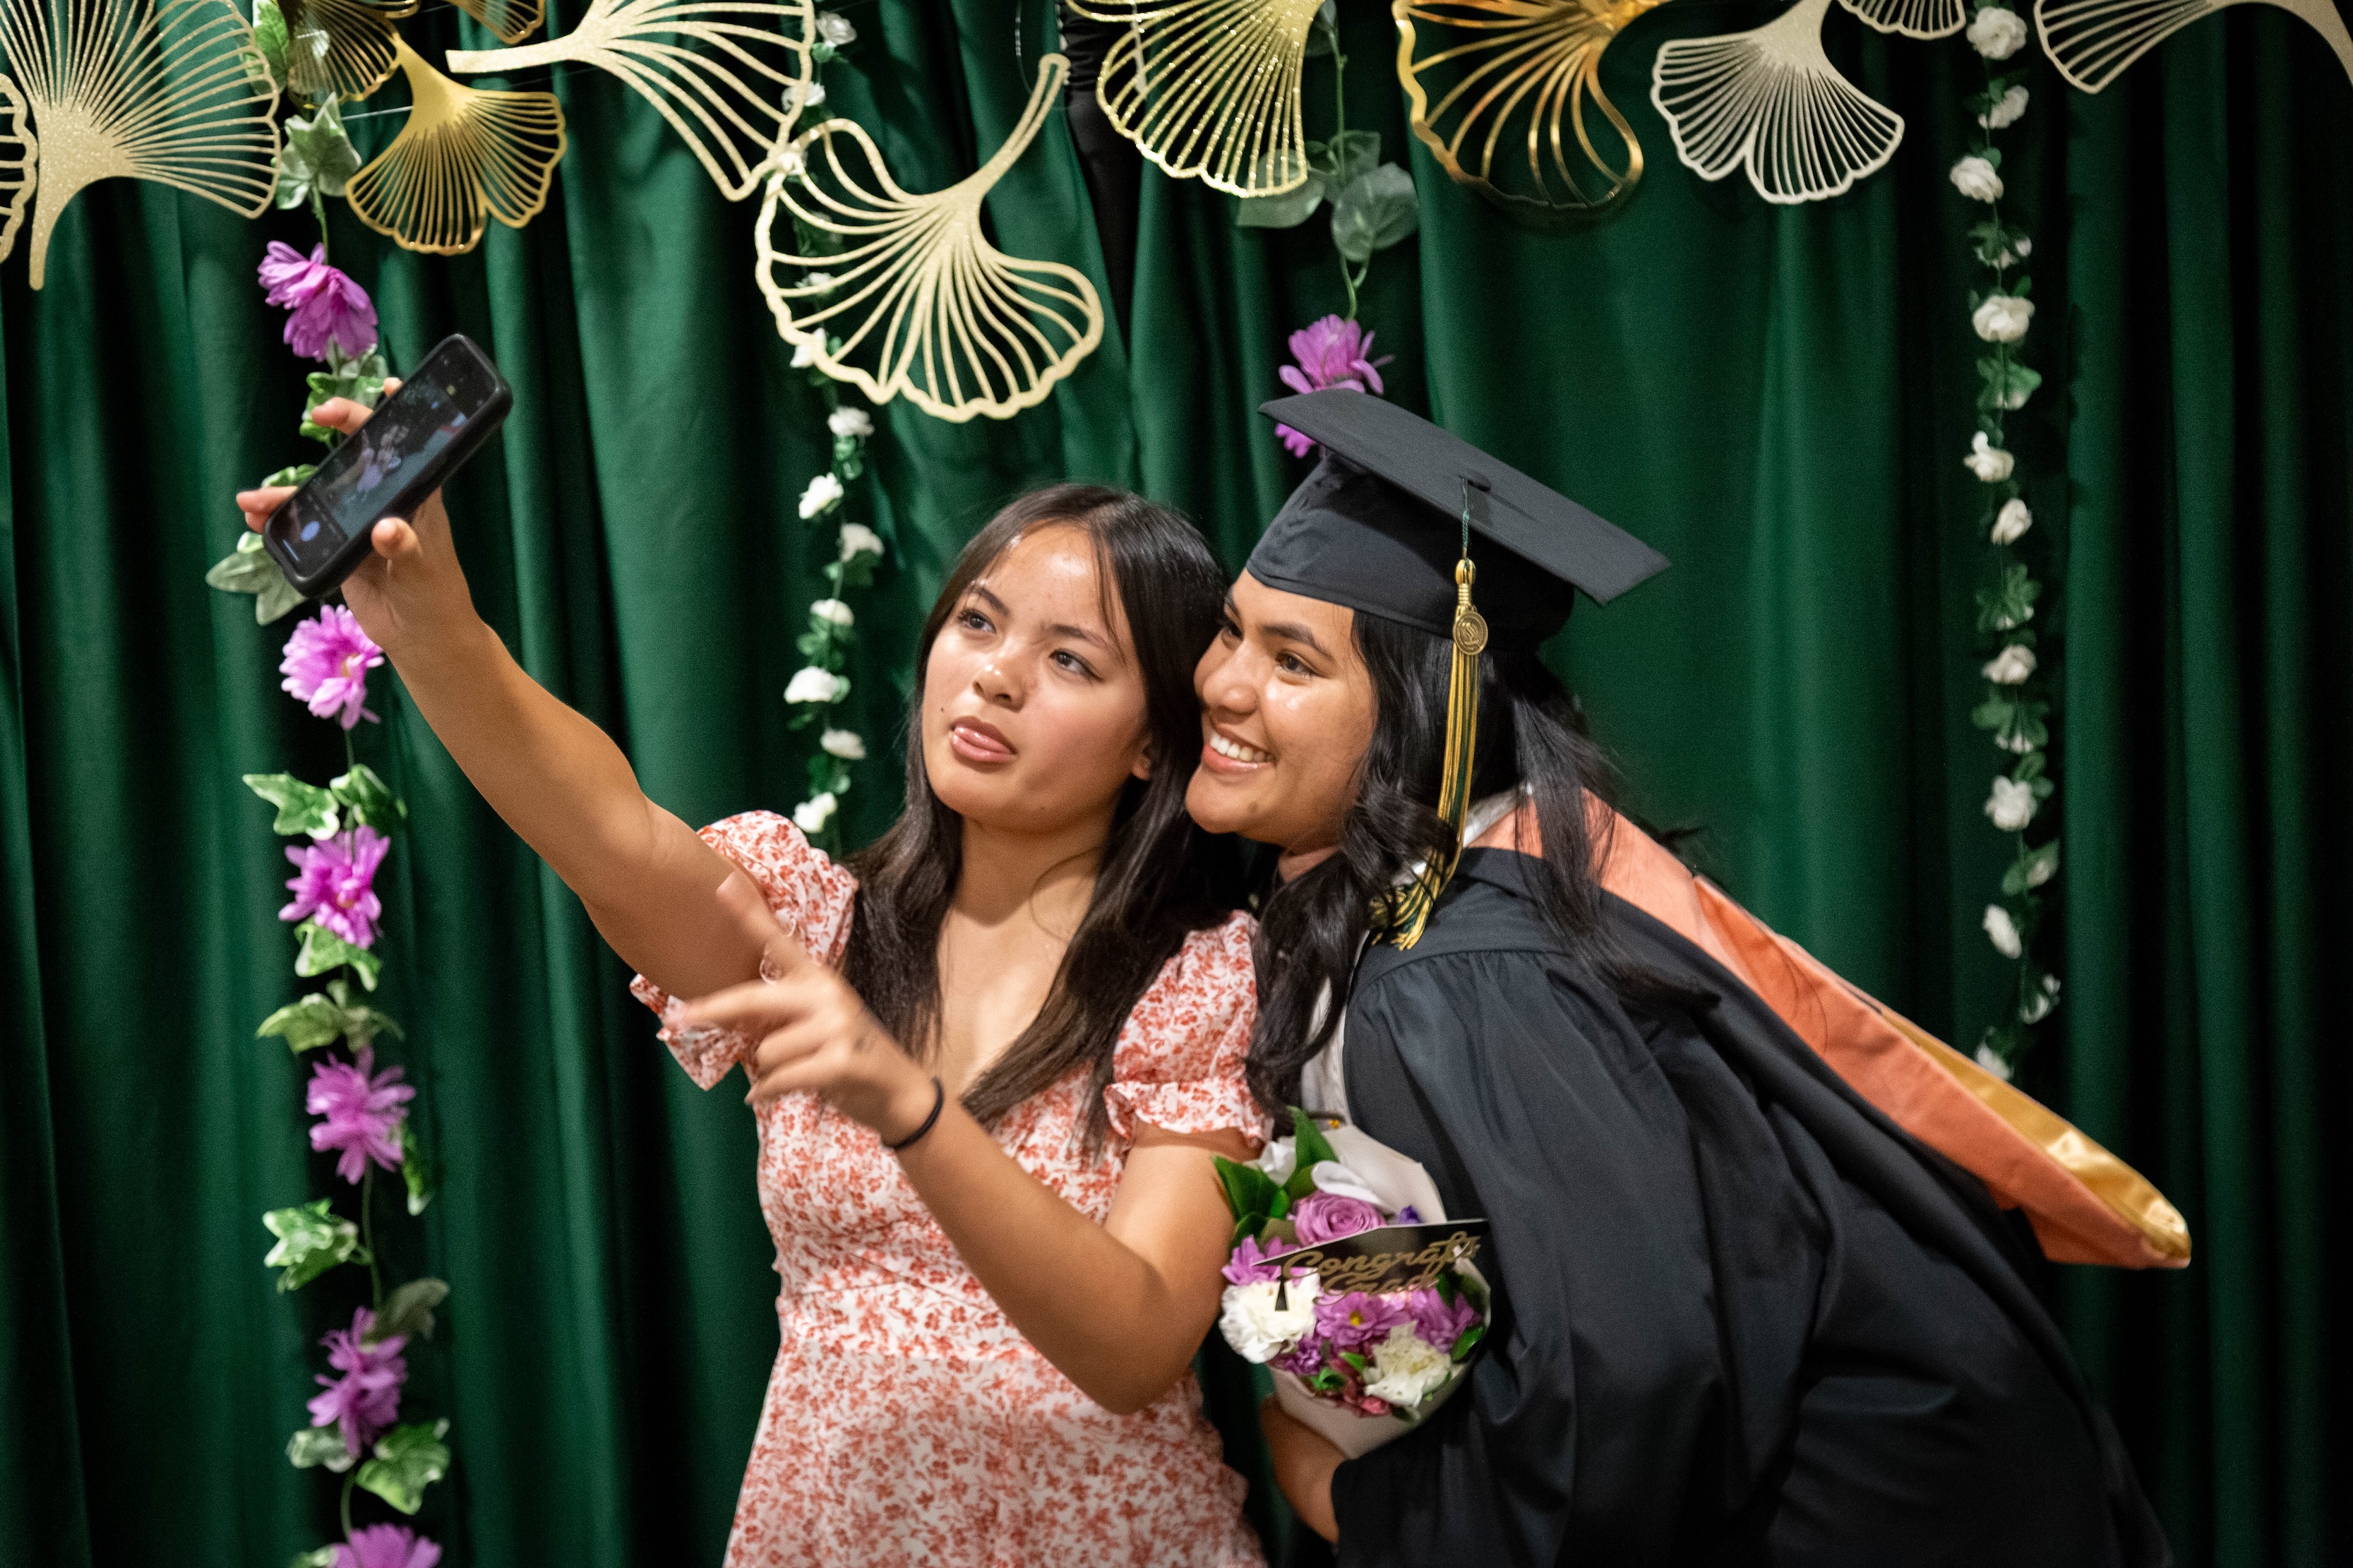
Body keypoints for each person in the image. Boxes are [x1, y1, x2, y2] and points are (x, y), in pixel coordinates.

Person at [235, 398, 1269, 1568]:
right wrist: (433, 627)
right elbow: (609, 837)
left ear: (1153, 741)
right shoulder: (811, 925)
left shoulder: (1203, 976)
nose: (995, 678)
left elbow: (1135, 1341)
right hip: (831, 1529)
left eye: (1070, 658)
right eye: (977, 624)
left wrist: (910, 1107)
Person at [1183, 388, 2173, 1566]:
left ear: (1419, 711)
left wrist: (1364, 1507)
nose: (1223, 683)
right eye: (1231, 629)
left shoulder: (1460, 975)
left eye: (1292, 658)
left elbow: (1631, 1380)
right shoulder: (1497, 889)